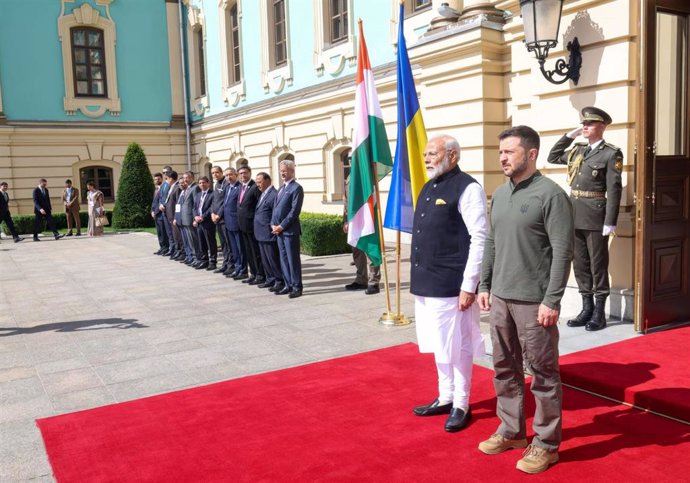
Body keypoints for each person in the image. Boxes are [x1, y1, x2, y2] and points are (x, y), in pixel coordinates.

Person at [477, 126, 573, 474]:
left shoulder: (551, 195)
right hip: (501, 296)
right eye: (501, 151)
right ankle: (512, 430)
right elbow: (492, 242)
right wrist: (485, 284)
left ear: (531, 153)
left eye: (510, 151)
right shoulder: (501, 194)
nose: (502, 157)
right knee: (504, 369)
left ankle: (546, 445)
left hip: (535, 302)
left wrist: (552, 299)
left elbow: (563, 252)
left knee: (543, 374)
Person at [410, 135, 487, 433]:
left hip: (452, 284)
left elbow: (480, 237)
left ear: (452, 155)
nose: (427, 158)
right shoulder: (429, 186)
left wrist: (470, 284)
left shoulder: (467, 187)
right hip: (426, 282)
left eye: (433, 153)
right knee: (437, 344)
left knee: (457, 346)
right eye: (426, 154)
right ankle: (445, 396)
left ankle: (461, 403)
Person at [547, 106, 623, 331]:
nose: (585, 127)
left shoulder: (611, 153)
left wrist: (610, 221)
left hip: (596, 216)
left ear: (602, 127)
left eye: (589, 124)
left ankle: (599, 312)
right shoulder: (577, 151)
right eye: (584, 124)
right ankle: (586, 307)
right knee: (580, 264)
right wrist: (569, 136)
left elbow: (614, 189)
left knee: (598, 265)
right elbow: (552, 156)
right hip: (574, 214)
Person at [271, 159, 304, 299]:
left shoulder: (296, 188)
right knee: (283, 260)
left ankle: (297, 286)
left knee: (292, 260)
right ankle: (288, 284)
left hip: (289, 231)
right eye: (281, 170)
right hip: (278, 231)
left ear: (292, 170)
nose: (282, 173)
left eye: (285, 170)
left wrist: (281, 226)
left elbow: (294, 211)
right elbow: (275, 209)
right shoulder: (281, 188)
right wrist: (273, 224)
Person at [343, 173, 381, 294]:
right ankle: (361, 280)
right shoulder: (349, 177)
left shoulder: (365, 173)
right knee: (357, 250)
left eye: (352, 158)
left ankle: (374, 281)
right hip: (353, 219)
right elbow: (346, 201)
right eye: (348, 158)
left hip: (366, 217)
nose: (350, 160)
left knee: (370, 250)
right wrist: (345, 220)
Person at [254, 172, 284, 292]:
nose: (257, 184)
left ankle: (279, 280)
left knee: (273, 258)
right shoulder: (263, 194)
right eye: (256, 182)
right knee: (265, 259)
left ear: (268, 181)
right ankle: (270, 278)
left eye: (259, 182)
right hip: (260, 233)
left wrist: (272, 227)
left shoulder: (273, 194)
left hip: (268, 232)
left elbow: (275, 214)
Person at [237, 165, 265, 285]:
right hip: (243, 225)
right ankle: (253, 273)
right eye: (241, 173)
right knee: (248, 251)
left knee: (256, 252)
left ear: (250, 173)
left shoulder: (255, 187)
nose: (243, 175)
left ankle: (260, 274)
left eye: (245, 173)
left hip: (252, 225)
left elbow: (259, 206)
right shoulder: (241, 187)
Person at [223, 167, 247, 279]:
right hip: (228, 223)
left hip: (237, 223)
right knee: (234, 248)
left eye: (230, 174)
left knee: (240, 248)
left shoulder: (240, 188)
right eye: (226, 175)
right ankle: (237, 268)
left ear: (236, 175)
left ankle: (243, 270)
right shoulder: (227, 187)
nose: (228, 177)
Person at [211, 166, 232, 274]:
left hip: (224, 218)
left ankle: (230, 264)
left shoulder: (226, 184)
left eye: (217, 172)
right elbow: (214, 201)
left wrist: (218, 214)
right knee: (223, 243)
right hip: (217, 219)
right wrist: (212, 213)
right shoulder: (216, 184)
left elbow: (225, 201)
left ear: (221, 173)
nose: (215, 174)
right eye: (213, 173)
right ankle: (225, 262)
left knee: (228, 243)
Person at [193, 176, 217, 270]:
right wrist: (195, 217)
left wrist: (203, 217)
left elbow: (211, 208)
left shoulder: (212, 194)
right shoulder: (198, 195)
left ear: (208, 183)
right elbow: (194, 208)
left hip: (208, 222)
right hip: (199, 223)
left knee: (210, 242)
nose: (202, 184)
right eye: (200, 183)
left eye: (204, 182)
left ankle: (213, 261)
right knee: (201, 242)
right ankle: (204, 261)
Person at [163, 170, 184, 260]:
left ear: (171, 178)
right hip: (169, 215)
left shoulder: (177, 188)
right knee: (174, 235)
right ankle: (177, 251)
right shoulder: (171, 187)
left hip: (174, 216)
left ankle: (182, 252)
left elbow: (178, 204)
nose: (166, 180)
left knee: (178, 235)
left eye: (166, 178)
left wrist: (176, 216)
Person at [151, 172, 169, 255]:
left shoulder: (163, 188)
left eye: (158, 179)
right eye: (155, 179)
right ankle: (161, 247)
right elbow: (154, 202)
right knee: (159, 233)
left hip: (161, 214)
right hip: (155, 214)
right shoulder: (156, 189)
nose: (157, 180)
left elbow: (161, 201)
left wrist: (156, 212)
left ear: (161, 179)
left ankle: (166, 248)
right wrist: (152, 211)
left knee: (163, 232)